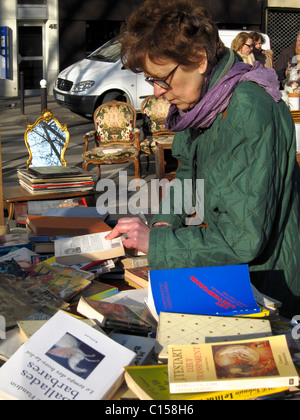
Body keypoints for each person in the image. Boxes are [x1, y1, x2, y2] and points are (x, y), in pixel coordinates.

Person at [106, 0, 300, 318]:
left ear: (198, 59)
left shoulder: (247, 108)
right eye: (151, 80)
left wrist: (158, 242)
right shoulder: (202, 103)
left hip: (265, 284)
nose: (156, 92)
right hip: (229, 272)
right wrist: (166, 221)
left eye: (161, 78)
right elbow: (187, 173)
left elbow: (242, 240)